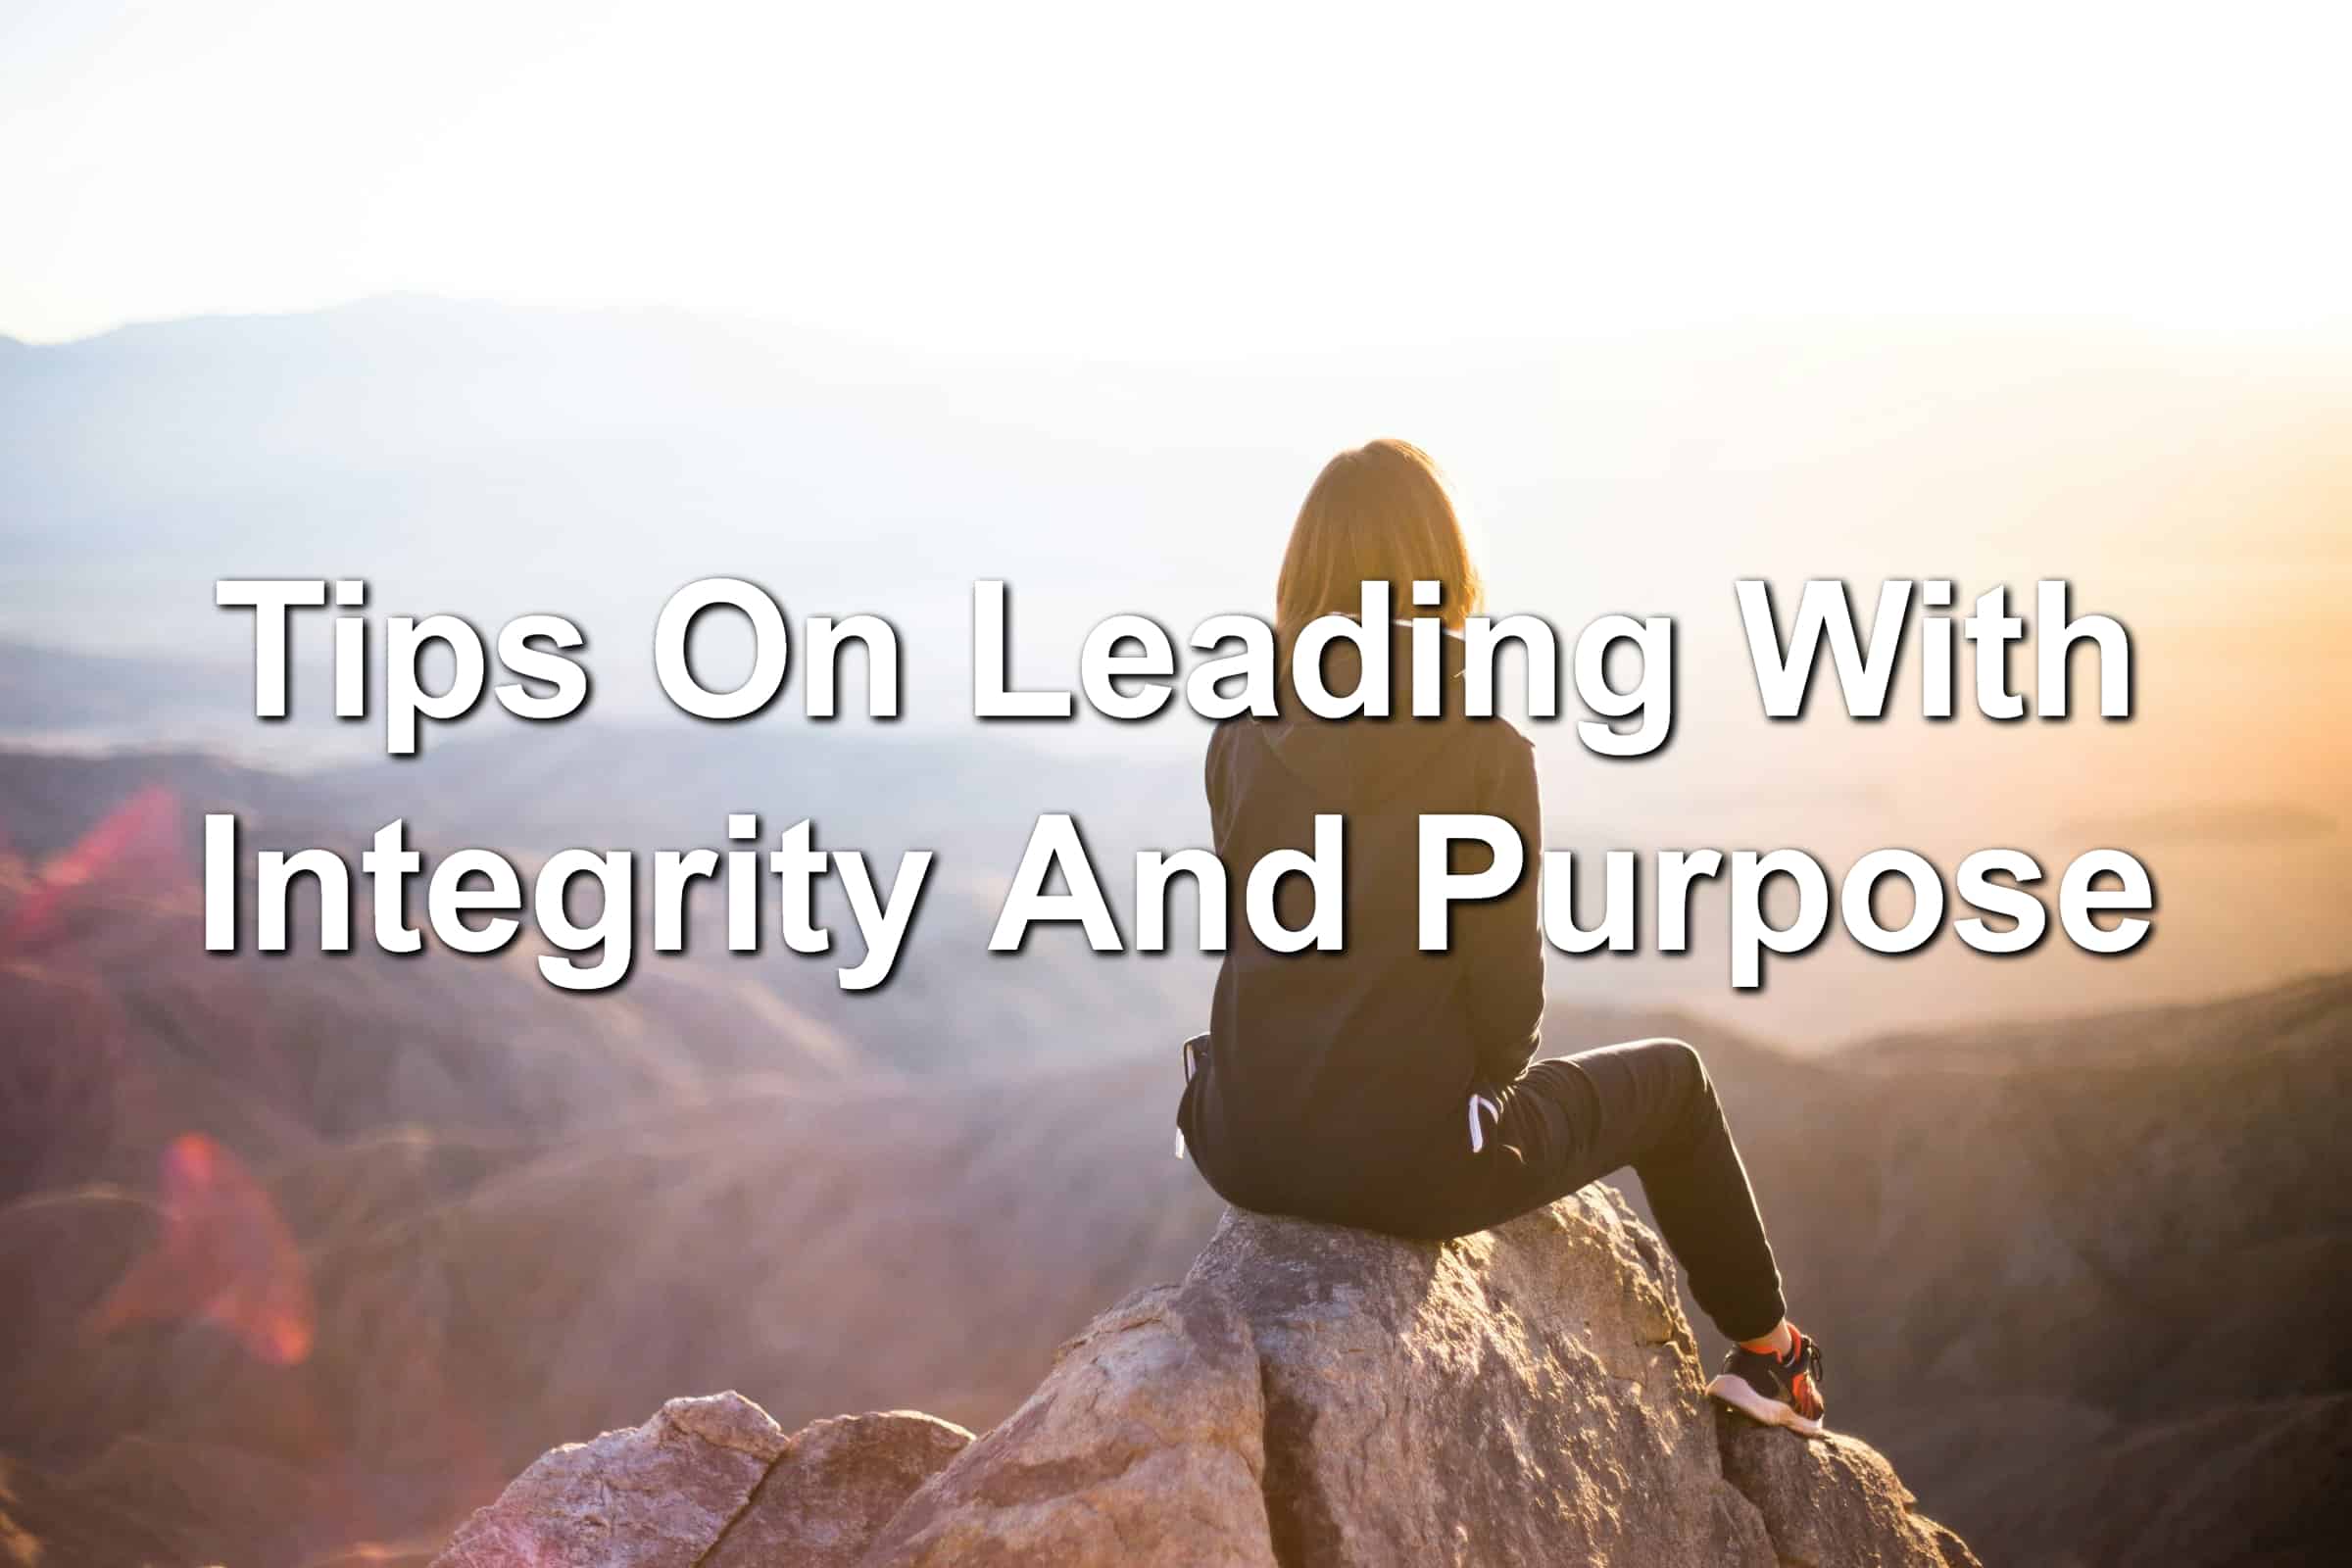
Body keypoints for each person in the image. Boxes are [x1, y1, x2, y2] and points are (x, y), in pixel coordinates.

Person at [1174, 438, 1826, 1435]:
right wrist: (1460, 1100)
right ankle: (1769, 1354)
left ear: (1302, 578)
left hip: (1240, 1141)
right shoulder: (1481, 748)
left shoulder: (1239, 732)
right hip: (1411, 1166)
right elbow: (1508, 1011)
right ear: (1443, 575)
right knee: (1679, 1084)